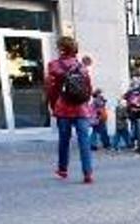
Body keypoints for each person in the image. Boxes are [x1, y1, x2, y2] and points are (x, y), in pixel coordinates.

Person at [46, 36, 94, 183]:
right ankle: (87, 173)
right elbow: (89, 89)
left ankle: (62, 170)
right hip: (81, 109)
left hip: (63, 108)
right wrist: (85, 104)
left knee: (64, 140)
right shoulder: (81, 67)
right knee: (84, 141)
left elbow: (51, 89)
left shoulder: (53, 65)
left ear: (61, 48)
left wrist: (53, 106)